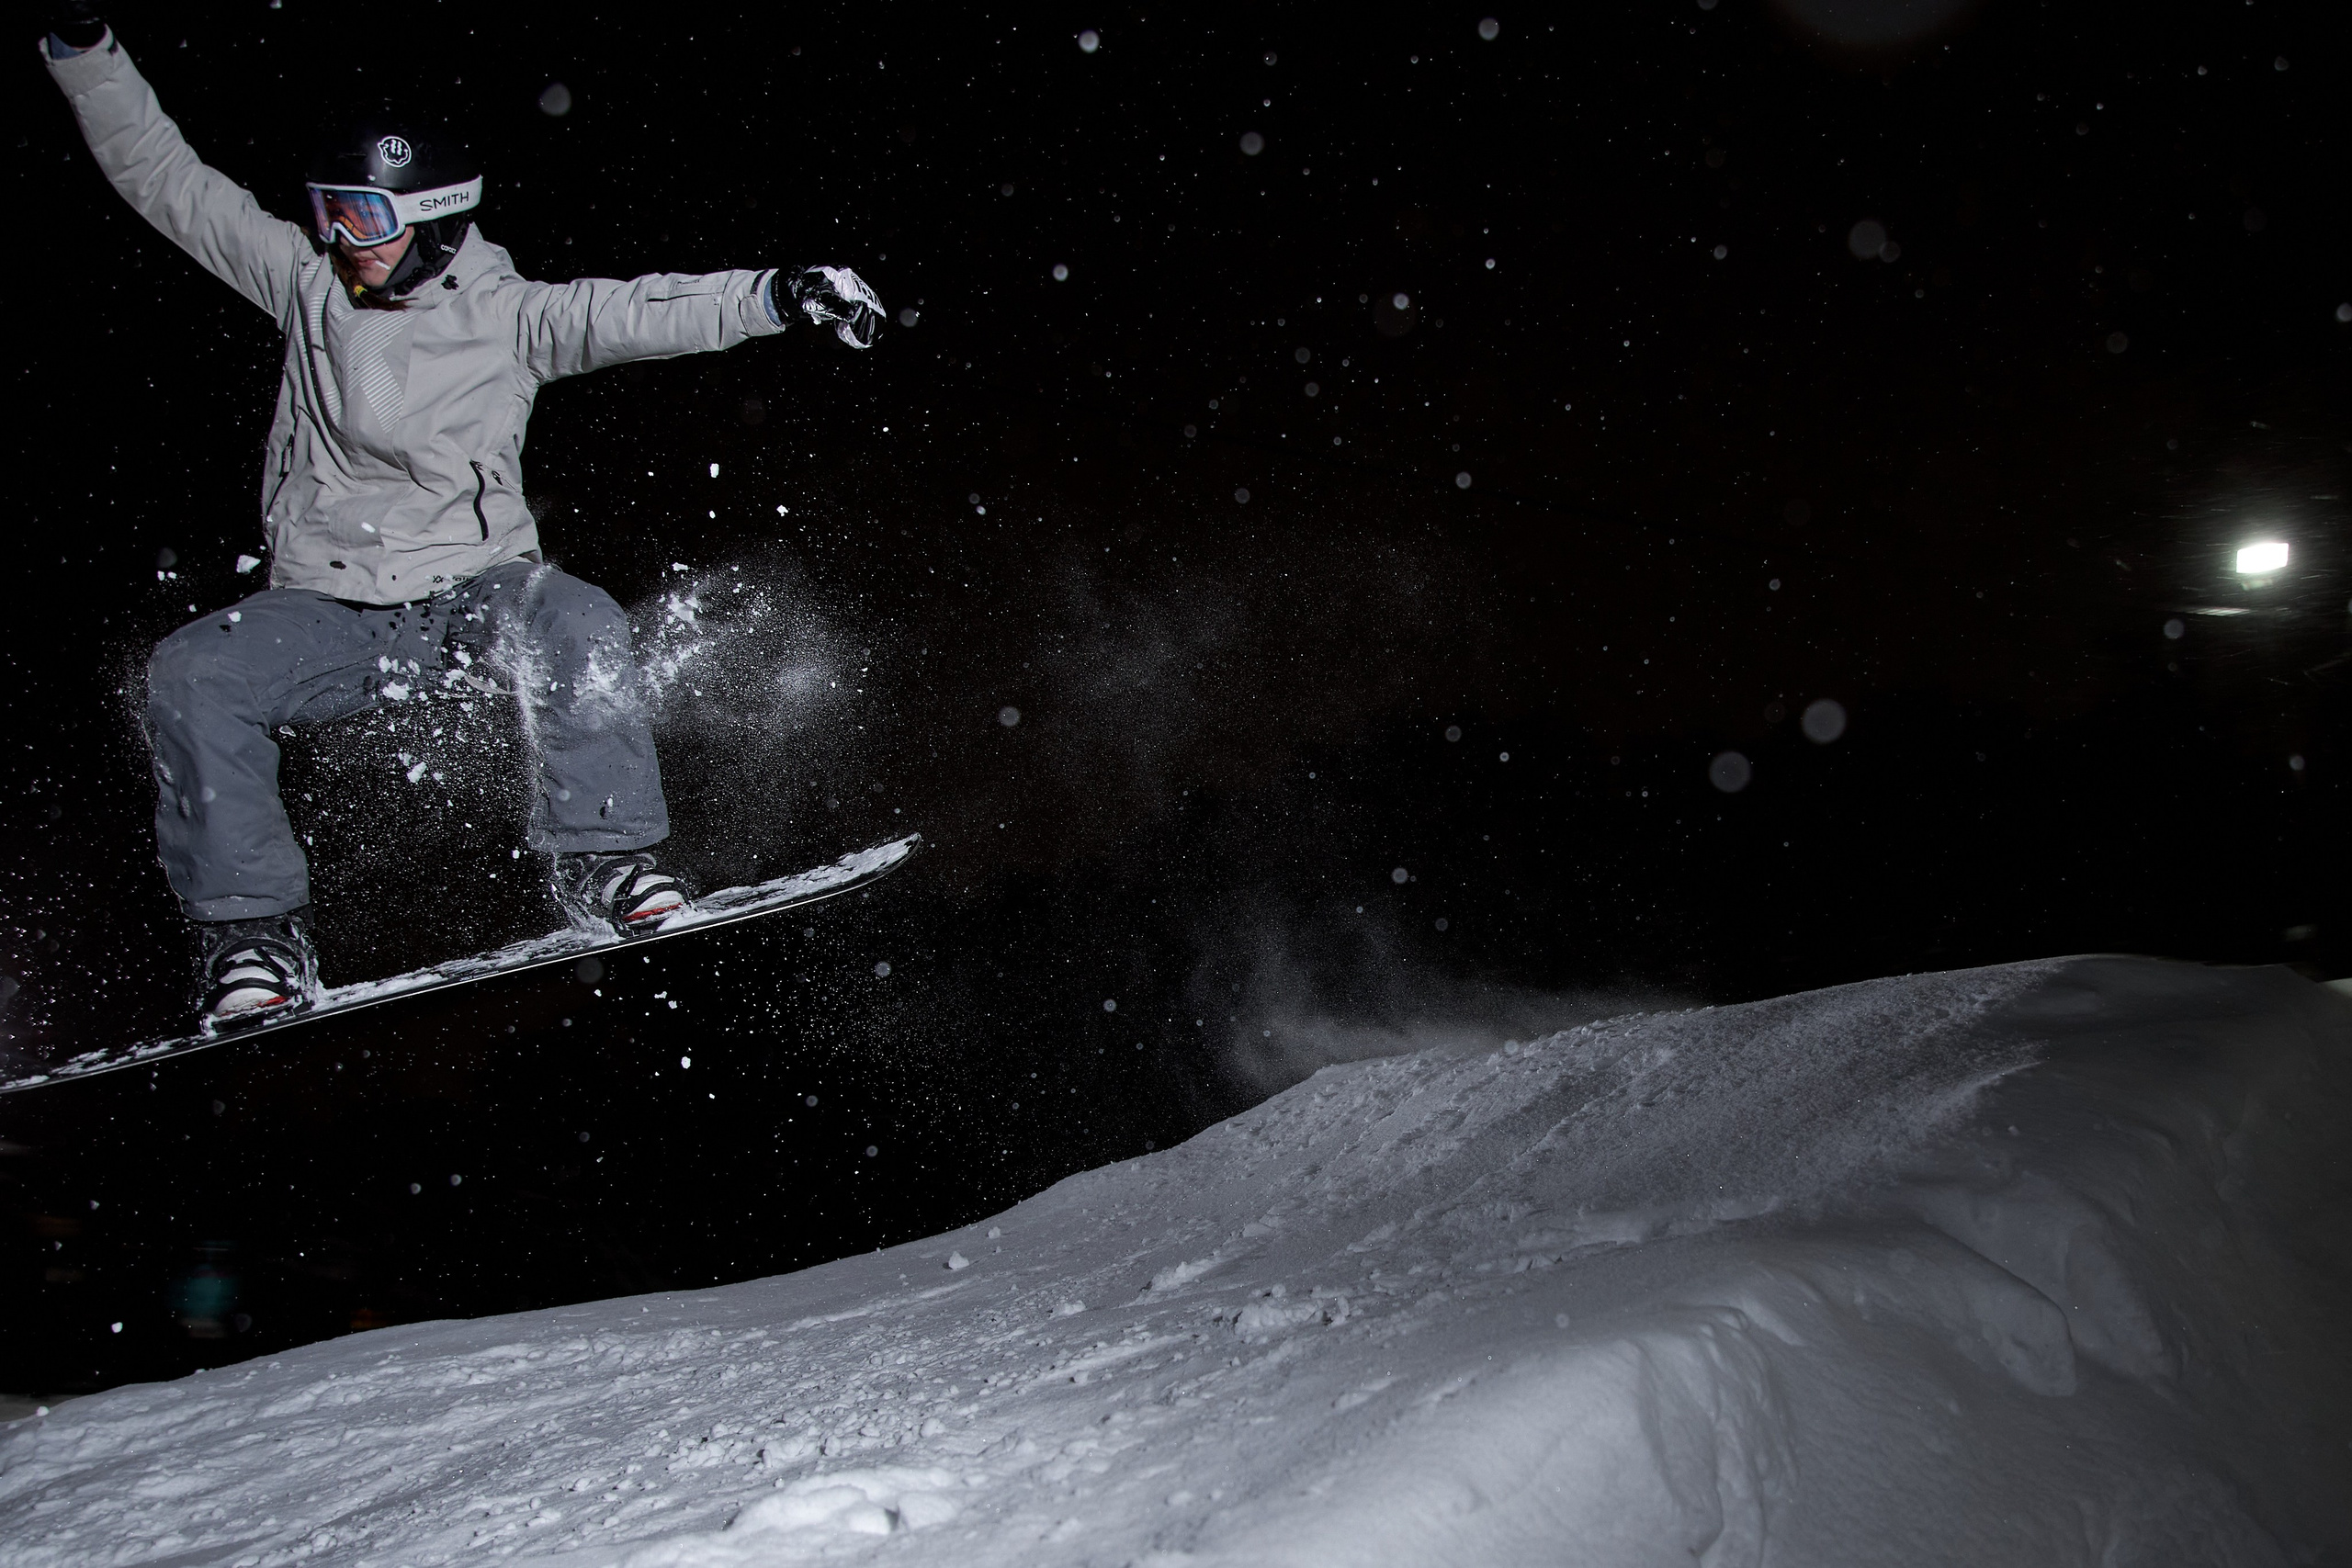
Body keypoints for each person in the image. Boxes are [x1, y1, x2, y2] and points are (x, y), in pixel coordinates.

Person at [40, 17, 884, 1030]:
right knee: (191, 670)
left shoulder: (508, 315)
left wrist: (777, 294)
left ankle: (607, 864)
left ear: (431, 221)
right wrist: (86, 50)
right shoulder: (304, 284)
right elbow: (165, 179)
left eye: (361, 218)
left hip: (472, 592)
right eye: (327, 216)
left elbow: (639, 310)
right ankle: (255, 940)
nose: (340, 240)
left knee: (574, 619)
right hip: (326, 605)